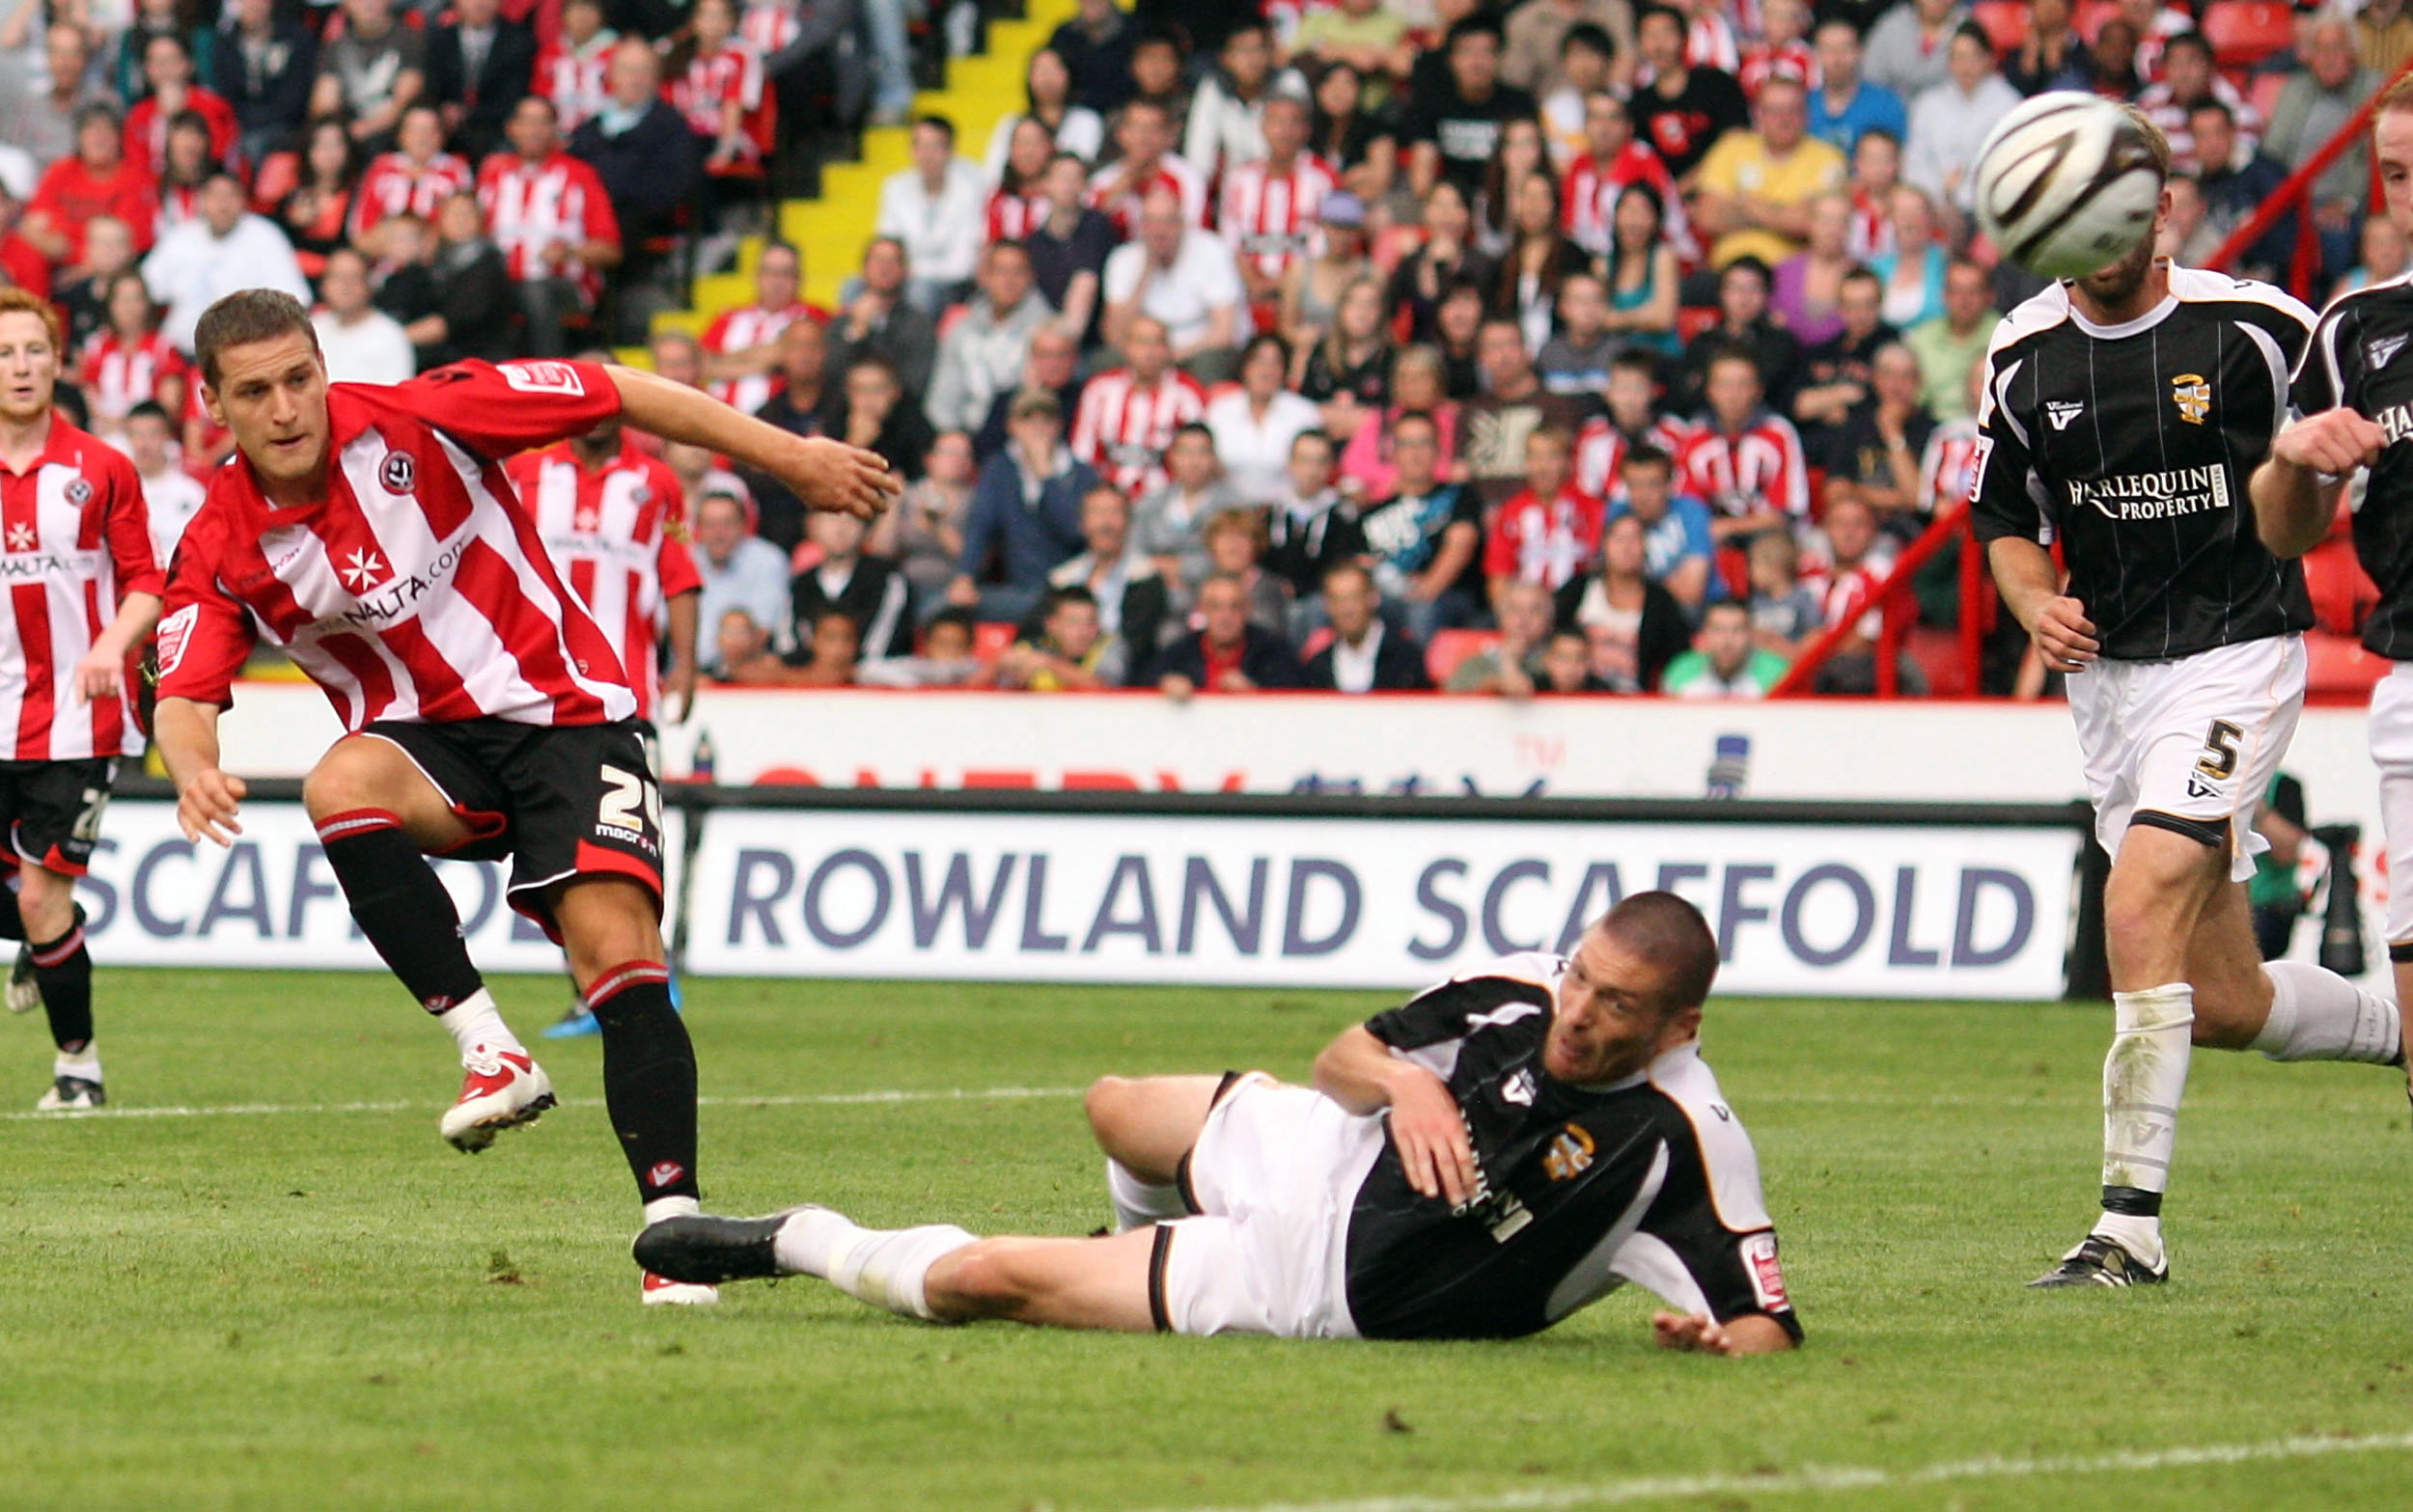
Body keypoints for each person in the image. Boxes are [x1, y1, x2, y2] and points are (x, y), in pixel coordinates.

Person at [152, 290, 898, 1302]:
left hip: (569, 718)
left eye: (298, 379)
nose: (285, 408)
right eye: (254, 391)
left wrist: (789, 457)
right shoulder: (219, 541)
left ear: (324, 370)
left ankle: (672, 1237)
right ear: (214, 405)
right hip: (429, 752)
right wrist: (193, 767)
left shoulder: (429, 413)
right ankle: (489, 1048)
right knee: (337, 781)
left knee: (617, 956)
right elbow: (184, 696)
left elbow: (614, 388)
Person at [636, 896, 1802, 1353]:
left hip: (1313, 1280)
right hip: (1318, 1147)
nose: (1580, 1014)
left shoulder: (1685, 1140)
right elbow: (1344, 1056)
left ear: (1677, 1024)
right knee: (1112, 1105)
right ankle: (1125, 1244)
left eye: (1617, 1006)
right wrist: (1408, 1085)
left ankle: (797, 1236)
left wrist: (1718, 1342)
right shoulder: (1520, 988)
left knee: (986, 1279)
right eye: (1583, 978)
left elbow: (1765, 1324)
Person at [1978, 110, 2403, 1291]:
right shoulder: (2020, 356)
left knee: (2143, 887)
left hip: (2237, 649)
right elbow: (2006, 523)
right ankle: (2404, 1028)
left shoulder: (2256, 329)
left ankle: (2127, 1230)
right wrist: (2029, 603)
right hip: (2110, 684)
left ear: (2161, 204)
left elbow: (2326, 483)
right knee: (2221, 999)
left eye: (2127, 209)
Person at [2251, 70, 2413, 1119]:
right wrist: (2297, 463)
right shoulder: (2356, 330)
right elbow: (2283, 529)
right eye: (2395, 172)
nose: (2409, 191)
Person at [0, 289, 162, 1111]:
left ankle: (80, 1069)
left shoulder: (100, 467)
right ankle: (41, 938)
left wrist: (110, 645)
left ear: (58, 361)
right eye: (4, 353)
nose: (21, 366)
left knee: (39, 895)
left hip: (76, 718)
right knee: (32, 906)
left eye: (34, 350)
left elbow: (147, 582)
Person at [505, 385, 701, 728]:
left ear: (623, 404)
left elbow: (680, 577)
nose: (594, 412)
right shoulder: (523, 472)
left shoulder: (660, 483)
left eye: (602, 400)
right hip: (530, 681)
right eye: (583, 400)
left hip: (627, 684)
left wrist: (686, 665)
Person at [478, 95, 622, 361]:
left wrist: (570, 252)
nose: (533, 130)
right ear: (512, 128)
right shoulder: (492, 172)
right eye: (526, 121)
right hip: (501, 283)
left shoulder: (580, 175)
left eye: (543, 122)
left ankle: (548, 375)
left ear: (555, 130)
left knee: (535, 291)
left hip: (564, 285)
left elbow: (610, 249)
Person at [950, 387, 1096, 623]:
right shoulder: (999, 468)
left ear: (1058, 425)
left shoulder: (1082, 475)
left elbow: (1075, 533)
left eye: (1046, 420)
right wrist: (965, 575)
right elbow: (981, 525)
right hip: (1017, 590)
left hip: (1070, 592)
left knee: (1050, 612)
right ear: (1012, 426)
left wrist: (1047, 478)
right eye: (1028, 420)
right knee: (948, 609)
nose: (1037, 429)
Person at [142, 171, 312, 353]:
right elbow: (144, 290)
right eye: (215, 196)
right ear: (201, 201)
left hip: (245, 356)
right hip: (181, 355)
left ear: (244, 201)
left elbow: (294, 301)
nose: (222, 204)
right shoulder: (180, 237)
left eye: (230, 196)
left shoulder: (265, 236)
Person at [1693, 76, 1845, 270]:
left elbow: (1808, 224)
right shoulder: (1731, 149)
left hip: (1794, 275)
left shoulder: (1828, 158)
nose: (1784, 119)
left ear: (1807, 114)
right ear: (1758, 114)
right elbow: (1708, 217)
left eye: (1792, 110)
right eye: (1774, 110)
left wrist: (1745, 203)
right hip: (1729, 272)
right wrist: (1782, 214)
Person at [926, 240, 1052, 439]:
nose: (1008, 281)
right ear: (985, 277)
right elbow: (942, 398)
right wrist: (952, 436)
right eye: (1001, 271)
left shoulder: (1047, 331)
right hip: (963, 438)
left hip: (1016, 439)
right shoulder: (962, 328)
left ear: (1030, 277)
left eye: (1017, 272)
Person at [1072, 316, 1208, 499]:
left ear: (1168, 349)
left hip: (1165, 501)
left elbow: (1197, 458)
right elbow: (1084, 455)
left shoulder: (1187, 395)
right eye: (1141, 342)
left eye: (1157, 343)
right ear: (1126, 347)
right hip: (1107, 499)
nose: (1149, 352)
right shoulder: (1099, 391)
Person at [876, 116, 989, 313]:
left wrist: (911, 272)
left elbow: (963, 261)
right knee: (854, 288)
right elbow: (887, 245)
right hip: (906, 276)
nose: (927, 155)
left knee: (920, 292)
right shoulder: (895, 187)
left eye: (935, 146)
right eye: (920, 146)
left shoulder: (972, 186)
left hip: (954, 283)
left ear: (951, 150)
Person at [699, 241, 818, 419]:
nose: (777, 281)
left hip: (779, 423)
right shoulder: (729, 317)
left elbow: (782, 354)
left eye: (785, 273)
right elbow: (700, 365)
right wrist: (769, 363)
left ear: (798, 278)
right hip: (722, 422)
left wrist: (723, 361)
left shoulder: (811, 316)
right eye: (769, 272)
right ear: (757, 276)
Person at [1148, 571, 1303, 697]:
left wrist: (1254, 694)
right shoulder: (1179, 652)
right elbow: (1144, 686)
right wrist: (1165, 686)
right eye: (1216, 607)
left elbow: (1293, 703)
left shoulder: (1274, 652)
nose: (1225, 616)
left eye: (1234, 607)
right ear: (1202, 609)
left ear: (1247, 610)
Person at [787, 509, 910, 661]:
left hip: (872, 679)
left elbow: (881, 647)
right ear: (811, 526)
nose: (840, 529)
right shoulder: (799, 584)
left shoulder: (888, 580)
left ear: (866, 529)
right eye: (831, 519)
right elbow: (788, 645)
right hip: (810, 680)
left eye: (851, 520)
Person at [691, 485, 790, 661]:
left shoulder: (768, 560)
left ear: (744, 525)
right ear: (698, 528)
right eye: (710, 524)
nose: (718, 533)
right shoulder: (686, 561)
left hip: (746, 671)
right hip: (690, 672)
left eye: (727, 524)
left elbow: (763, 630)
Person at [1305, 562, 1429, 693]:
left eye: (1354, 598)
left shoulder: (1406, 659)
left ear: (1373, 598)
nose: (1347, 610)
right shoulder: (1318, 667)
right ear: (1327, 605)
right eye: (1338, 600)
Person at [311, 247, 416, 385]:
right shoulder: (312, 329)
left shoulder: (390, 336)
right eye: (336, 277)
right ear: (323, 284)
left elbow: (396, 395)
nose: (345, 286)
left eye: (353, 277)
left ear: (368, 284)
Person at [994, 583, 1124, 691]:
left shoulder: (1109, 646)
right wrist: (997, 665)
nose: (1083, 632)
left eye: (1091, 622)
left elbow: (1106, 691)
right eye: (1073, 622)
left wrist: (1049, 663)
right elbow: (978, 688)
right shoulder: (1029, 649)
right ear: (1051, 625)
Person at [1661, 598, 1789, 698]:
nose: (1727, 641)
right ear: (1704, 634)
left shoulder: (1778, 675)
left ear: (1751, 634)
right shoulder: (1680, 672)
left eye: (1737, 630)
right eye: (1718, 630)